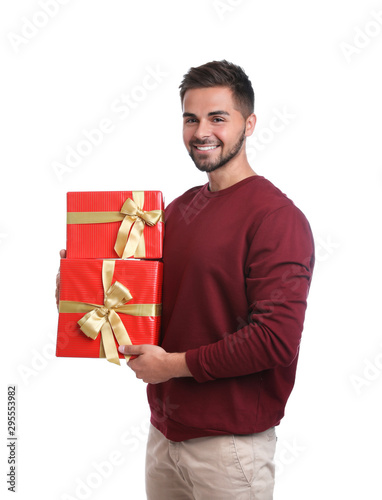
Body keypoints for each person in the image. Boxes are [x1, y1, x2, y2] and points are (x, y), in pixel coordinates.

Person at [57, 60, 314, 500]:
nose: (201, 131)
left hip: (230, 449)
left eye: (218, 117)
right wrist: (79, 289)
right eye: (190, 118)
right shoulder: (179, 209)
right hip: (165, 437)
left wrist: (171, 367)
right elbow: (143, 301)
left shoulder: (277, 219)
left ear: (249, 123)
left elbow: (275, 340)